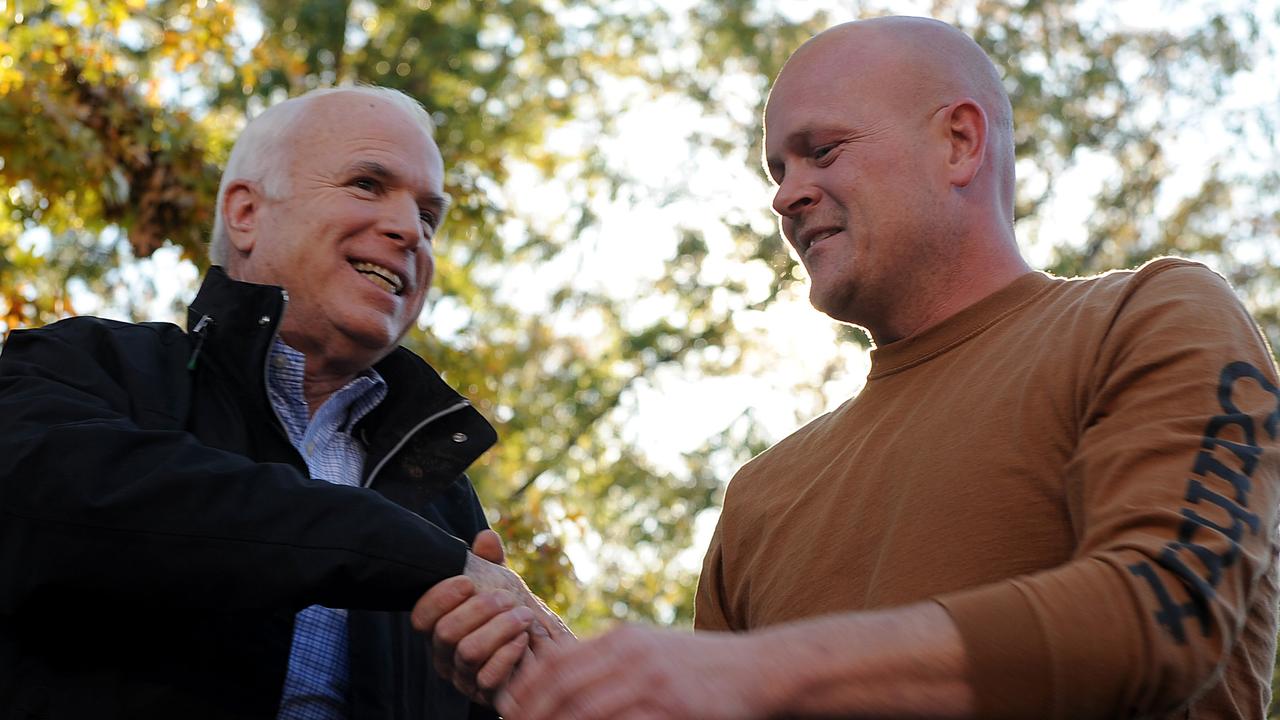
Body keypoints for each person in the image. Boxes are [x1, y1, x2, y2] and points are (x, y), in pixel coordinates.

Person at [416, 16, 1280, 719]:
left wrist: (761, 671)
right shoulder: (762, 493)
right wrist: (577, 681)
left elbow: (1169, 612)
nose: (785, 195)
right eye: (777, 169)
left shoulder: (1152, 314)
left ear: (959, 143)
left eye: (821, 151)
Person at [0, 86, 558, 719]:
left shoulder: (449, 507)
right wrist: (412, 556)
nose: (410, 231)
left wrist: (511, 691)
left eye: (428, 218)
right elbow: (70, 498)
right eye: (367, 184)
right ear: (246, 212)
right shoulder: (87, 365)